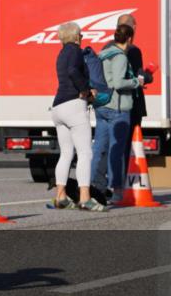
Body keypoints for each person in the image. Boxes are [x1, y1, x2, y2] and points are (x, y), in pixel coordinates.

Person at [89, 23, 145, 205]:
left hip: (101, 106)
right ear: (130, 38)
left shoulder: (104, 53)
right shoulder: (120, 56)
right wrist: (137, 82)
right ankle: (117, 190)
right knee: (117, 150)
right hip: (117, 108)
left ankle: (94, 187)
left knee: (99, 148)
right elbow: (120, 83)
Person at [48, 22, 97, 210]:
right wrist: (85, 89)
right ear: (76, 36)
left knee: (66, 153)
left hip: (58, 107)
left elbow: (67, 74)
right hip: (73, 105)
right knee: (85, 152)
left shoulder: (61, 54)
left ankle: (60, 196)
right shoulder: (76, 51)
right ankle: (85, 198)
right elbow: (73, 71)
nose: (82, 38)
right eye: (81, 35)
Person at [102, 14, 152, 188]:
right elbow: (135, 76)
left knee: (106, 145)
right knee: (124, 147)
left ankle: (103, 183)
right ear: (133, 29)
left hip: (106, 104)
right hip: (127, 104)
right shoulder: (132, 50)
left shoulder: (105, 48)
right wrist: (146, 77)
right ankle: (118, 186)